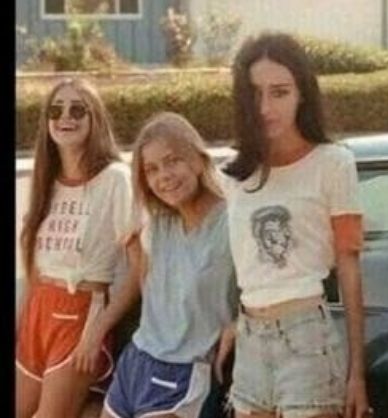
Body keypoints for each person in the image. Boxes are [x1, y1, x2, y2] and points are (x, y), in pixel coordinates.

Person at [218, 32, 370, 418]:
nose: (266, 107)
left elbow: (349, 266)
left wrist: (357, 373)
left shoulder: (333, 163)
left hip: (307, 340)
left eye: (280, 92)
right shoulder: (234, 175)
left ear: (302, 94)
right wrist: (234, 322)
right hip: (250, 343)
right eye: (255, 94)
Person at [68, 112, 238, 417]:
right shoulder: (159, 224)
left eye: (173, 161)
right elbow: (154, 290)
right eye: (152, 169)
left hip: (185, 371)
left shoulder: (232, 220)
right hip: (136, 361)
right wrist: (134, 248)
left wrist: (241, 324)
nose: (164, 176)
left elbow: (265, 285)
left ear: (198, 160)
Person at [16, 78, 135, 418]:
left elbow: (139, 270)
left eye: (77, 109)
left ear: (94, 117)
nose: (65, 117)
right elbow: (34, 267)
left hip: (80, 312)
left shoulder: (115, 179)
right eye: (56, 110)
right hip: (38, 312)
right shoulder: (45, 181)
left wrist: (96, 332)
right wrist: (22, 321)